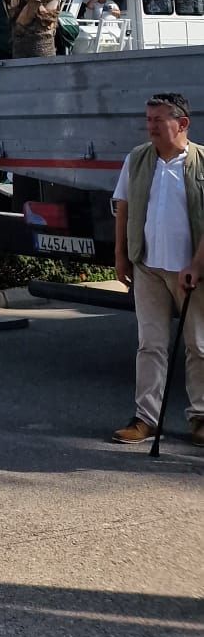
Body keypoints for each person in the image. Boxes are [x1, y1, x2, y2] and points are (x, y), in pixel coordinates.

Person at [111, 93, 204, 446]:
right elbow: (124, 206)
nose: (150, 127)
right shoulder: (137, 159)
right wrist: (121, 255)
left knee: (199, 344)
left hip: (191, 271)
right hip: (148, 266)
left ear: (182, 124)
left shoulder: (201, 162)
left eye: (157, 120)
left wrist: (196, 264)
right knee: (150, 344)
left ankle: (200, 417)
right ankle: (146, 419)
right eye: (148, 120)